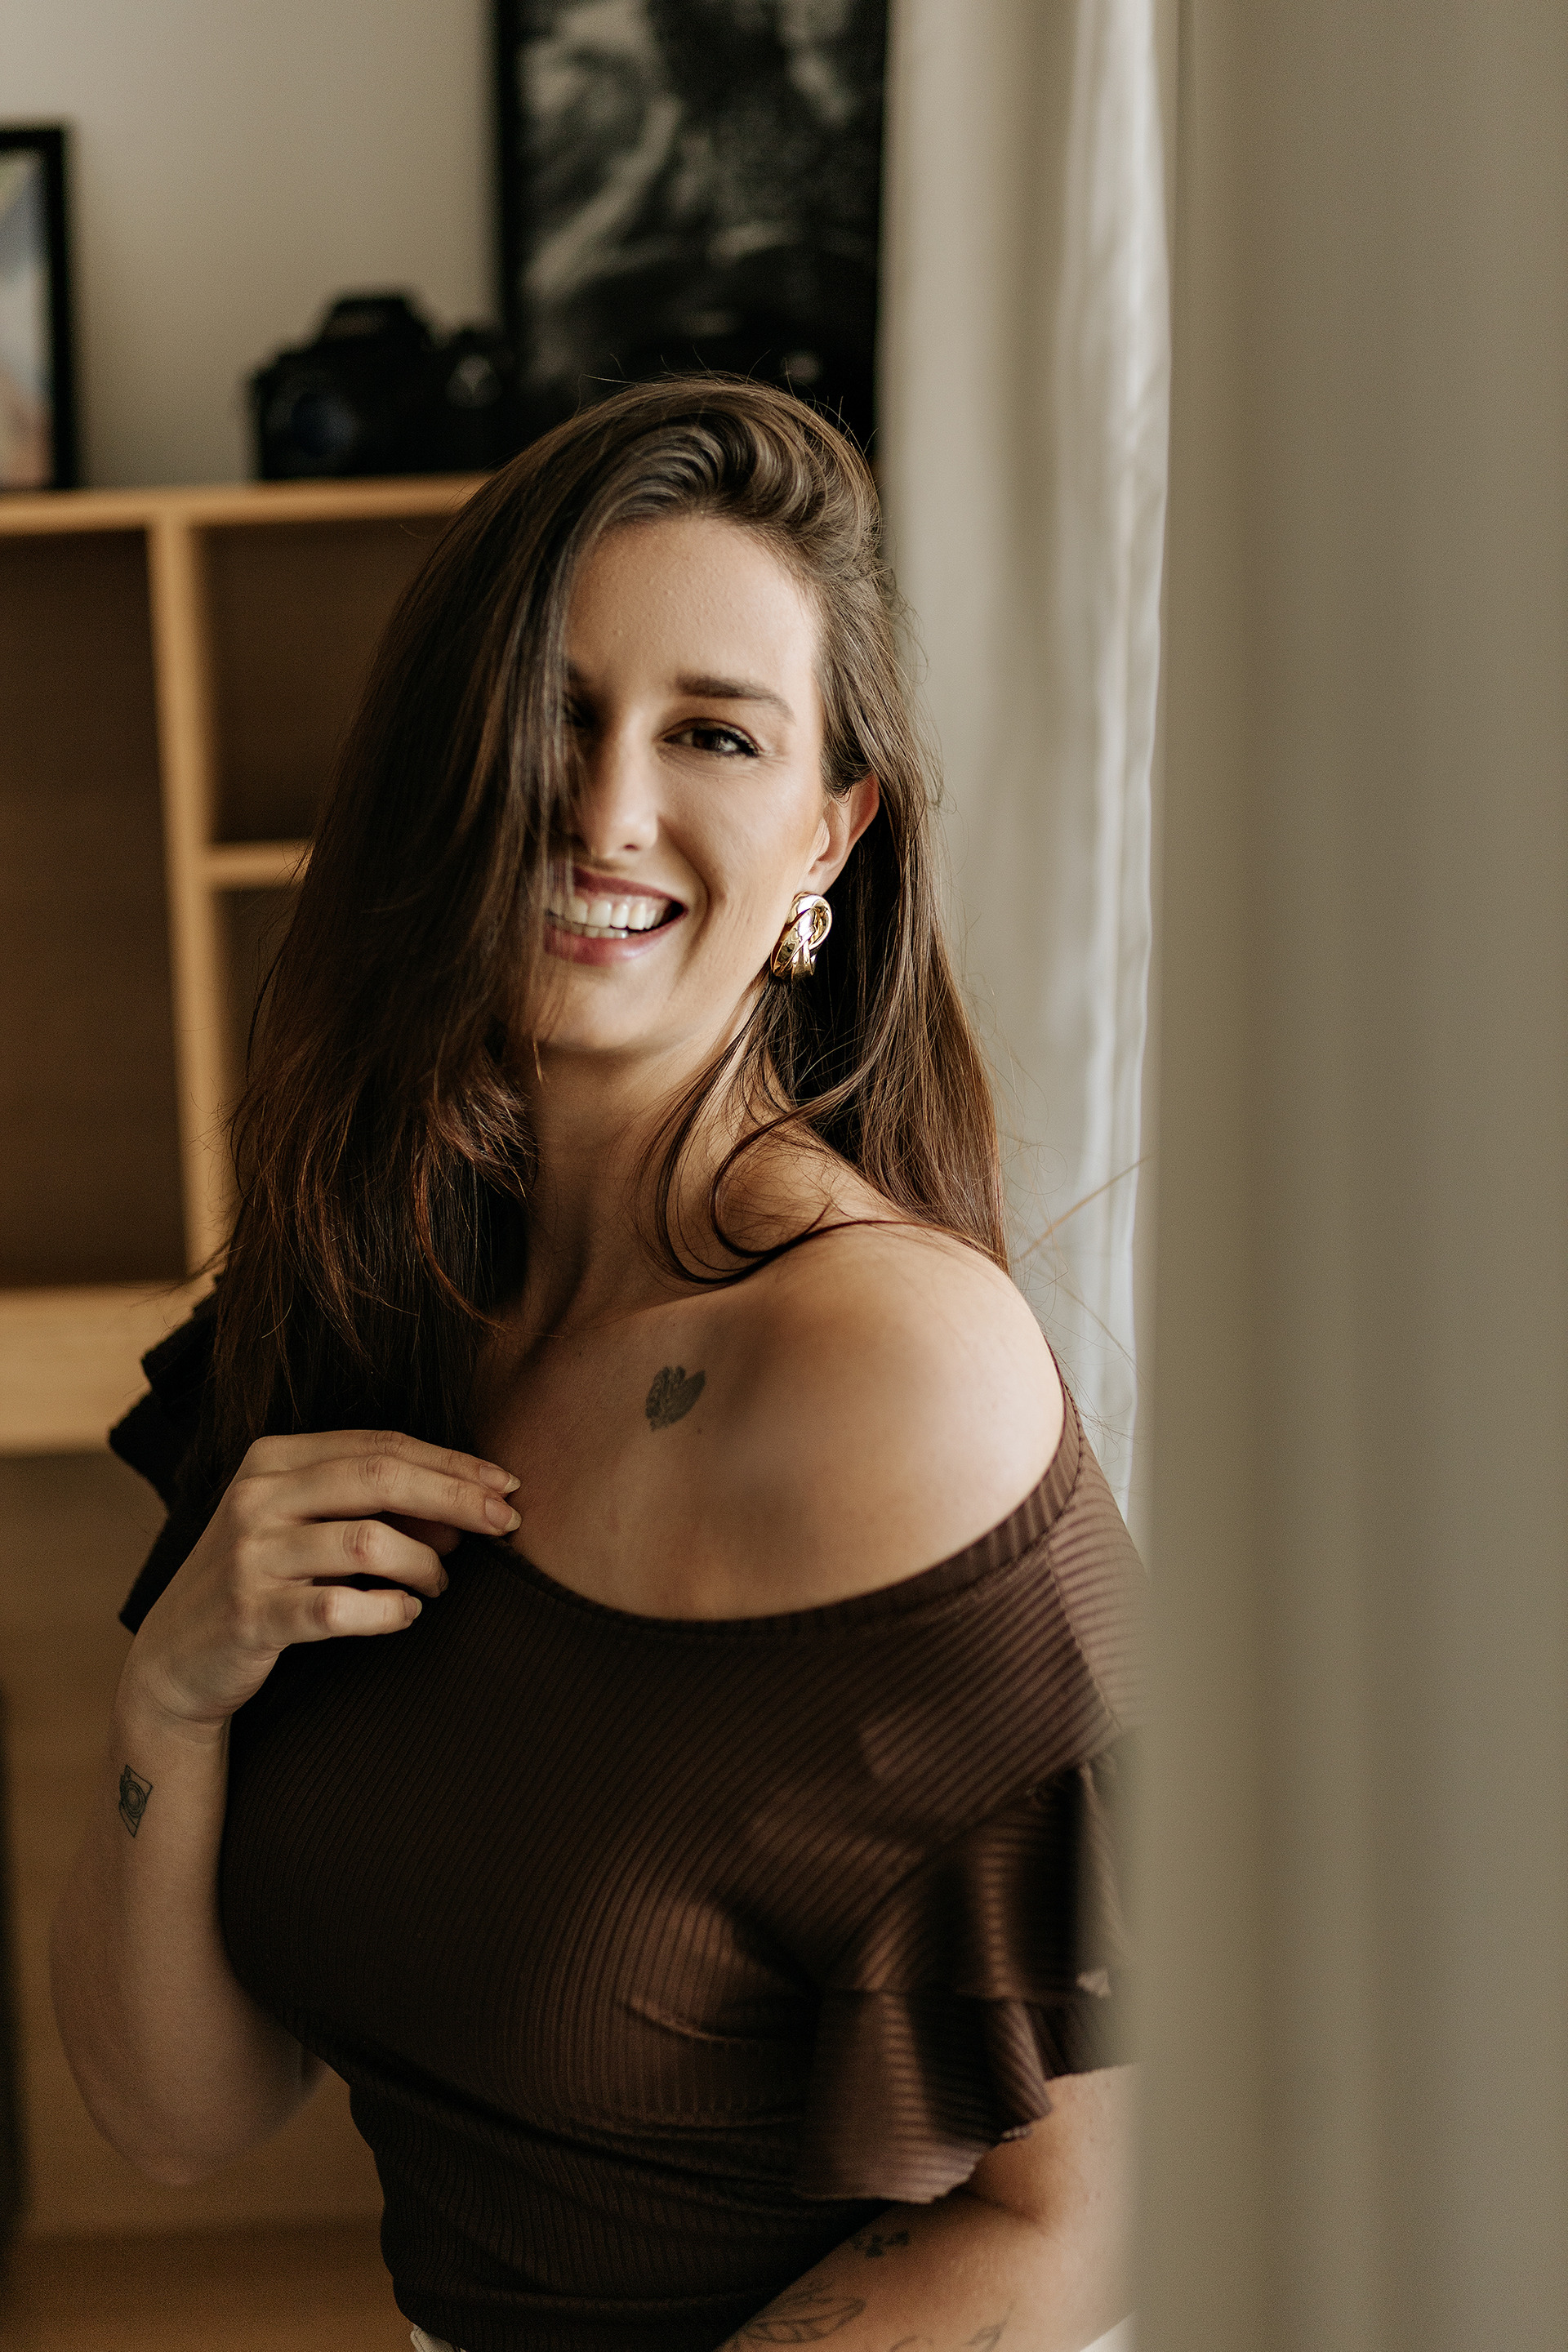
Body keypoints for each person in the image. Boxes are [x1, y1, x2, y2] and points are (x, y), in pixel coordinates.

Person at [51, 378, 1144, 2352]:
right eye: (551, 713)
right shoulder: (364, 1287)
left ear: (830, 837)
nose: (605, 806)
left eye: (712, 733)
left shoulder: (884, 1368)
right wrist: (171, 1701)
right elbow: (175, 2117)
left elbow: (1098, 2213)